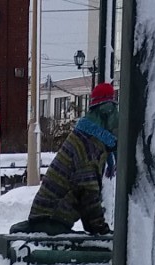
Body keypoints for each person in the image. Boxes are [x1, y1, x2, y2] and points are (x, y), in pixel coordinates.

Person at [24, 81, 118, 235]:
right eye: (114, 111)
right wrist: (100, 230)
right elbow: (88, 193)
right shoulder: (86, 145)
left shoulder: (86, 137)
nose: (117, 118)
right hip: (49, 220)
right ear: (105, 112)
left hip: (50, 219)